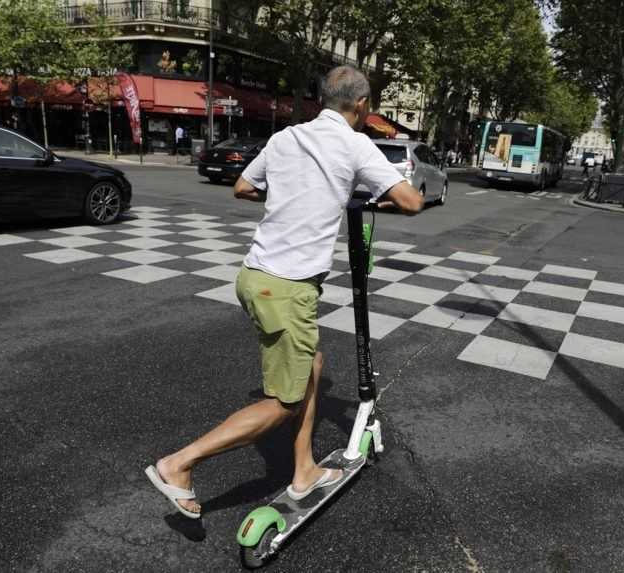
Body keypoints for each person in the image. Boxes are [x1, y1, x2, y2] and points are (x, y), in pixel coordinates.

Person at [144, 65, 423, 519]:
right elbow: (410, 201)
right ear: (362, 106)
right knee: (283, 405)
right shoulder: (355, 144)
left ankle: (304, 470)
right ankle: (178, 464)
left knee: (311, 365)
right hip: (288, 287)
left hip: (255, 275)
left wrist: (294, 198)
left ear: (321, 99)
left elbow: (243, 187)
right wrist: (361, 198)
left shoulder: (286, 137)